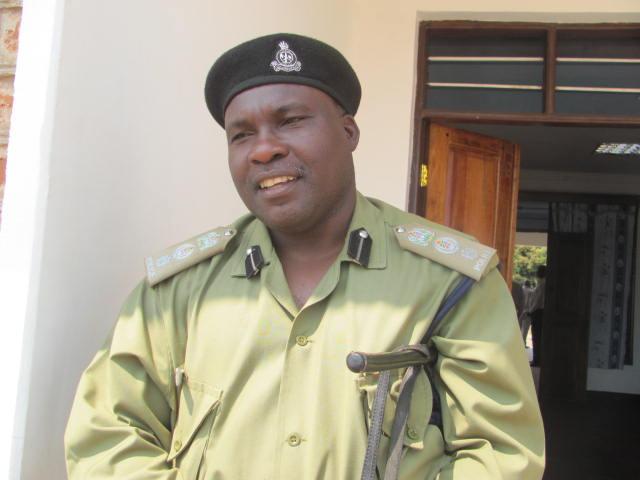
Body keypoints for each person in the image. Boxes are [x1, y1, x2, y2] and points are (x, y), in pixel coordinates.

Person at [64, 33, 545, 479]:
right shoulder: (179, 289)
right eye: (241, 135)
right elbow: (109, 435)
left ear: (348, 132)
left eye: (291, 121)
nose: (264, 150)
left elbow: (499, 454)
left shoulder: (450, 282)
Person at [528, 265, 547, 367]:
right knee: (539, 337)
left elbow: (537, 301)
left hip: (538, 313)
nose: (537, 273)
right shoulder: (542, 284)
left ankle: (537, 359)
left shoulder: (542, 285)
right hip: (539, 312)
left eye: (539, 271)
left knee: (537, 337)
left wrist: (530, 311)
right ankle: (538, 359)